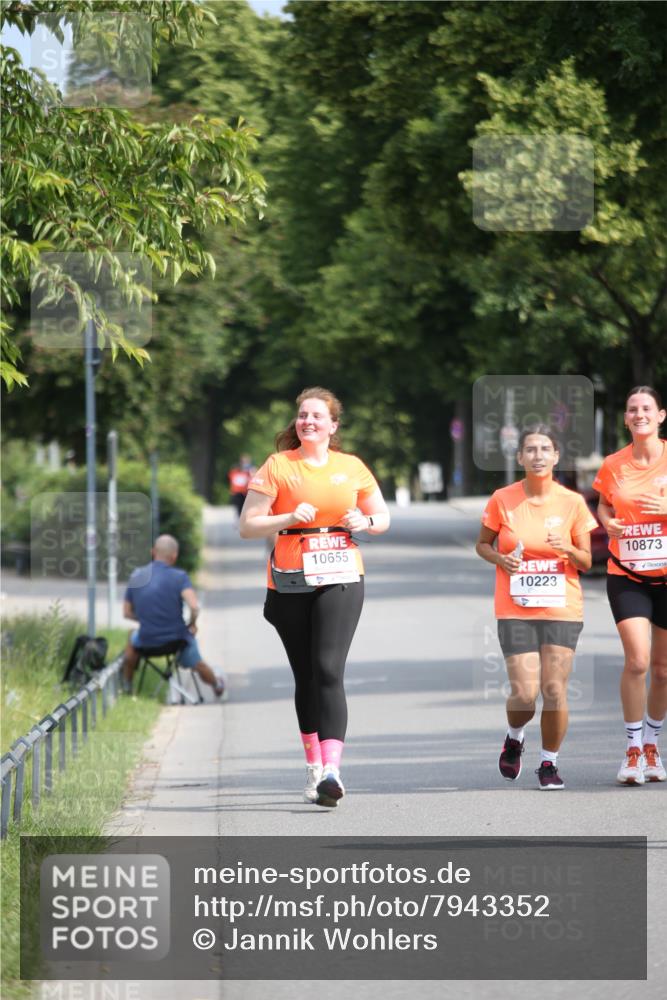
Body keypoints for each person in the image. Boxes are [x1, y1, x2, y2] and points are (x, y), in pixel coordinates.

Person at [239, 387, 390, 807]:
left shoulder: (352, 467)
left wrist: (366, 519)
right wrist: (287, 516)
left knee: (328, 669)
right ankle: (313, 765)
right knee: (305, 675)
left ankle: (332, 771)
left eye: (317, 417)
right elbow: (248, 525)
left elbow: (382, 518)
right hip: (290, 578)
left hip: (341, 572)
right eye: (303, 415)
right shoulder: (277, 467)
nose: (308, 421)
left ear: (332, 426)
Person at [476, 425, 597, 789]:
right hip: (515, 608)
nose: (538, 455)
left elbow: (588, 561)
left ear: (556, 456)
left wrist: (567, 548)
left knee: (555, 689)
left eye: (545, 448)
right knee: (526, 692)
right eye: (530, 449)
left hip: (561, 607)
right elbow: (482, 544)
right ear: (519, 457)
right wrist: (500, 558)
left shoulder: (572, 502)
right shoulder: (502, 498)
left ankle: (549, 763)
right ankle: (515, 736)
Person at [593, 386, 667, 785]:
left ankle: (654, 746)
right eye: (632, 409)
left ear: (661, 416)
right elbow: (604, 502)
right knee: (638, 661)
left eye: (646, 409)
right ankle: (633, 749)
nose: (639, 414)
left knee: (663, 668)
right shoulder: (613, 464)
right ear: (626, 418)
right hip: (627, 572)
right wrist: (608, 521)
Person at [122, 534, 226, 699]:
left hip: (147, 642)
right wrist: (192, 624)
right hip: (176, 642)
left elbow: (126, 613)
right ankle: (217, 684)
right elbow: (194, 607)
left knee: (131, 637)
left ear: (153, 552)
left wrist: (145, 618)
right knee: (198, 661)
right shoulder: (180, 577)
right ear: (174, 556)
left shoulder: (136, 577)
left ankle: (127, 686)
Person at [228, 454, 256, 519]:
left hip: (246, 493)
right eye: (243, 462)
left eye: (246, 462)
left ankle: (244, 520)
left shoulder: (251, 471)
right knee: (238, 509)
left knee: (246, 508)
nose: (245, 463)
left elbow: (254, 479)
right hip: (237, 494)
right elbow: (232, 481)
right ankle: (239, 520)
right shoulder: (235, 471)